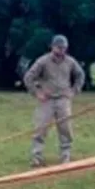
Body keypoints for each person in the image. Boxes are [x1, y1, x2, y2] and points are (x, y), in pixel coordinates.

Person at [23, 35, 85, 166]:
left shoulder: (70, 62)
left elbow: (80, 75)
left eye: (64, 48)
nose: (61, 50)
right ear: (52, 47)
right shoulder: (43, 61)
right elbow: (28, 77)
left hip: (63, 99)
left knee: (65, 129)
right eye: (59, 47)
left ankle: (65, 156)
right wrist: (37, 93)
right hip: (47, 100)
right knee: (41, 128)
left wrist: (74, 91)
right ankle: (36, 156)